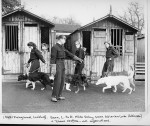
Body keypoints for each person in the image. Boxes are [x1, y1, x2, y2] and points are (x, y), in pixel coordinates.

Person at [50, 35, 83, 102]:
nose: (65, 41)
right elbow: (53, 58)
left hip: (62, 63)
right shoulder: (54, 47)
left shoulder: (62, 47)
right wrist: (53, 68)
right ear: (60, 39)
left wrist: (78, 58)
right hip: (57, 63)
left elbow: (69, 54)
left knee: (62, 80)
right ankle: (54, 96)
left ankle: (59, 95)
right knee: (57, 80)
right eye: (64, 39)